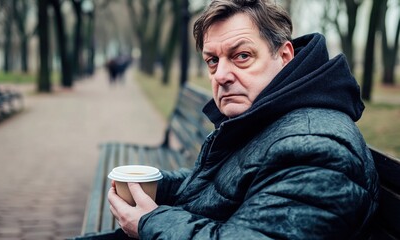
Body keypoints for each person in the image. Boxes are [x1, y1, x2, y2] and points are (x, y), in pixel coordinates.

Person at [108, 0, 379, 239]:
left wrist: (149, 223)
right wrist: (154, 185)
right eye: (212, 60)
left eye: (242, 56)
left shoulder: (314, 148)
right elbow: (219, 185)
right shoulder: (263, 118)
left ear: (284, 56)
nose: (221, 75)